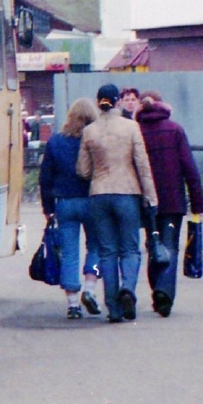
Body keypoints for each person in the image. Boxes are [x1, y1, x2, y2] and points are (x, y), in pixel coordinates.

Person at [78, 83, 159, 323]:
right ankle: (128, 289)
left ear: (98, 102)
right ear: (118, 101)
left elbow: (83, 169)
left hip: (99, 194)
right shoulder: (131, 127)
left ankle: (113, 308)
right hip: (127, 192)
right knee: (130, 249)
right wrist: (151, 197)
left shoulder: (89, 131)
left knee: (107, 252)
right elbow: (142, 165)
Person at [135, 92, 203, 317]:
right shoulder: (175, 130)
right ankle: (164, 290)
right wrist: (197, 202)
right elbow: (189, 167)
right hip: (173, 199)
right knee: (170, 245)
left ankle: (157, 286)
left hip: (146, 200)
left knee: (152, 243)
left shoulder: (136, 131)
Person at [39, 98, 102, 319]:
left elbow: (45, 178)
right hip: (92, 201)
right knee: (96, 246)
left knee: (69, 252)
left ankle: (73, 304)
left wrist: (48, 208)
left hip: (65, 203)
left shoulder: (56, 142)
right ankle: (90, 288)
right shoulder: (95, 140)